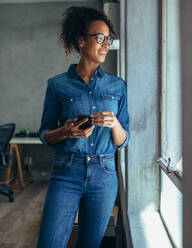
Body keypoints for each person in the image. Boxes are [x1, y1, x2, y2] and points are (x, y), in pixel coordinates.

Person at [37, 6, 130, 248]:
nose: (106, 44)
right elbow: (45, 133)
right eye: (100, 38)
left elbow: (123, 140)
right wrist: (65, 132)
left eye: (108, 39)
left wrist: (115, 123)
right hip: (66, 172)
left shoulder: (118, 86)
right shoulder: (57, 85)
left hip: (105, 173)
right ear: (81, 41)